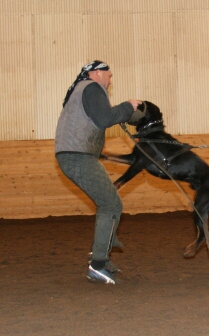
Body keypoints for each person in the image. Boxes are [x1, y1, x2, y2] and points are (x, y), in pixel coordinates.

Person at [55, 60, 144, 284]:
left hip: (76, 155)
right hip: (78, 156)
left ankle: (102, 252)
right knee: (111, 205)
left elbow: (104, 117)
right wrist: (127, 106)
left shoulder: (83, 90)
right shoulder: (91, 88)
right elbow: (105, 119)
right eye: (109, 75)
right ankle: (98, 264)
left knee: (111, 203)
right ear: (97, 74)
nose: (110, 78)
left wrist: (128, 114)